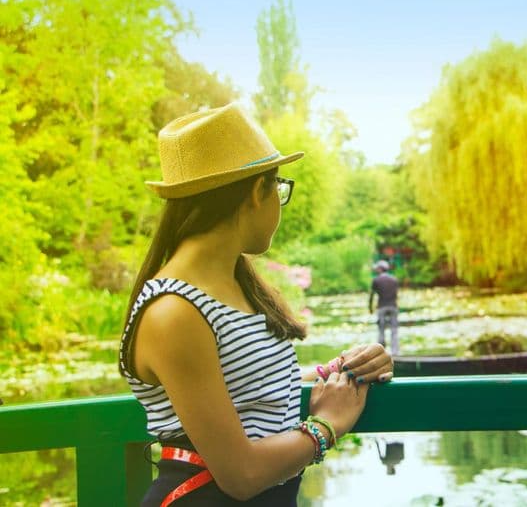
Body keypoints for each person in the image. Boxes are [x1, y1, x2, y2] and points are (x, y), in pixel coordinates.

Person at [117, 102, 393, 506]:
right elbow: (241, 475)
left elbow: (248, 398)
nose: (279, 203)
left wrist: (345, 373)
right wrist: (328, 424)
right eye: (279, 188)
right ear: (255, 192)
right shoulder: (174, 312)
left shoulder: (236, 283)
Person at [369, 260, 400, 355]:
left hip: (382, 307)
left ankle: (380, 353)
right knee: (394, 330)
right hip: (393, 307)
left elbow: (372, 295)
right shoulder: (394, 279)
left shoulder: (376, 280)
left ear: (380, 269)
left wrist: (370, 307)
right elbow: (396, 295)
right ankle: (395, 353)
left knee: (381, 330)